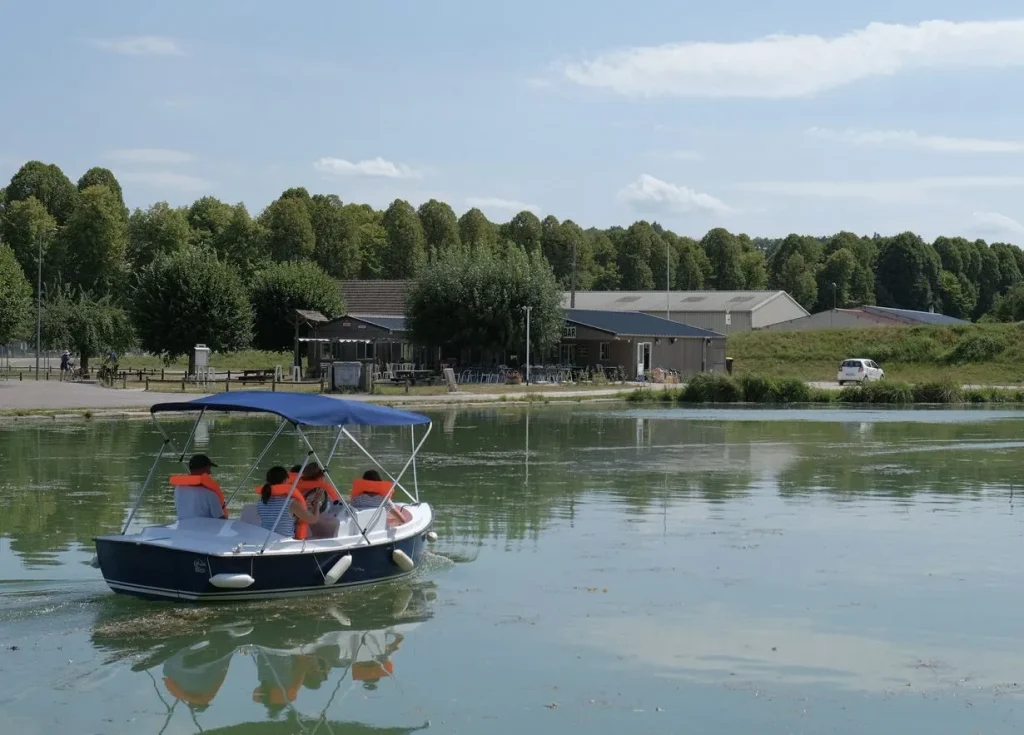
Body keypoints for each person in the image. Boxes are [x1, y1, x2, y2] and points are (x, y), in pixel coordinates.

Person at [256, 465, 320, 539]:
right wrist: (317, 502)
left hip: (264, 539)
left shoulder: (261, 501)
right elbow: (313, 520)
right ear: (284, 481)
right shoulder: (290, 503)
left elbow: (280, 518)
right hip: (283, 542)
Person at [169, 454, 228, 520]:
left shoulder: (178, 489)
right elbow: (220, 519)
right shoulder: (210, 494)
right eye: (209, 469)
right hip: (205, 529)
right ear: (205, 468)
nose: (210, 472)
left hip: (183, 528)